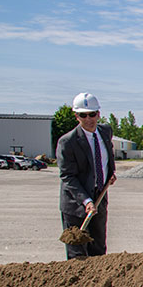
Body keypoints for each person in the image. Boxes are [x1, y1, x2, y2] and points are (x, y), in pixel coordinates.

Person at [57, 92, 116, 259]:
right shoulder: (68, 142)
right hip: (76, 203)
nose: (89, 119)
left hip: (99, 197)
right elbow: (68, 176)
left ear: (99, 113)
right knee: (77, 253)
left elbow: (105, 157)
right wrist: (86, 201)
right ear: (76, 116)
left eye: (92, 114)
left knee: (98, 250)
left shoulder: (105, 132)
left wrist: (110, 174)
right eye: (83, 115)